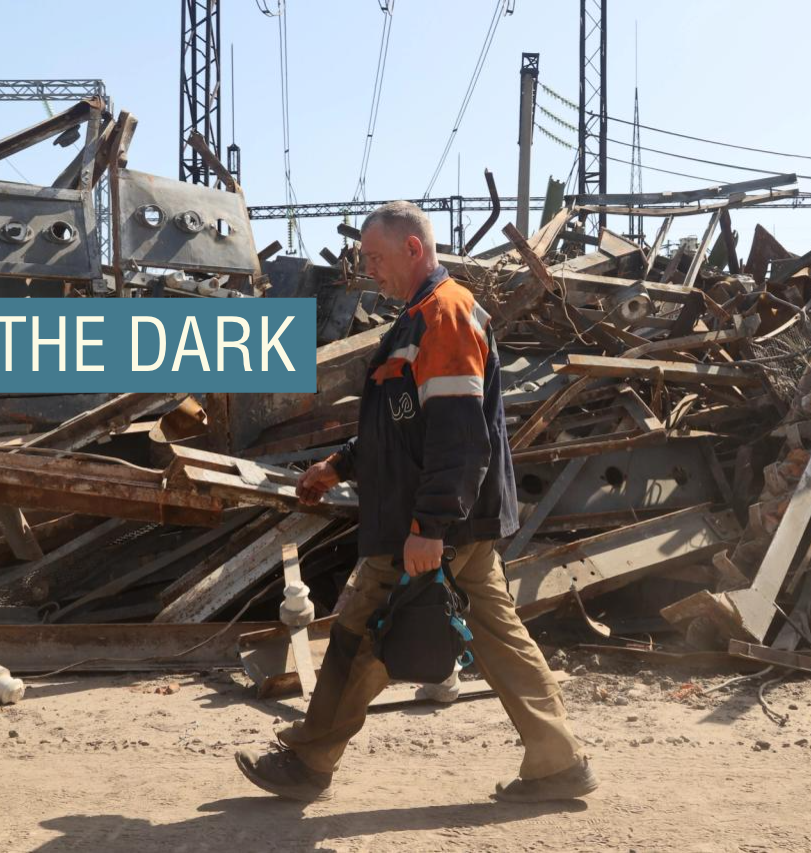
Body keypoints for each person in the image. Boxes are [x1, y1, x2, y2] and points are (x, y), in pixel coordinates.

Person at [235, 201, 597, 803]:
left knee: (361, 630)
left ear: (412, 249)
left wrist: (429, 526)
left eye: (375, 258)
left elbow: (458, 437)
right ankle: (558, 761)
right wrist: (340, 464)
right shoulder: (416, 320)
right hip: (460, 520)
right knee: (501, 639)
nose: (368, 270)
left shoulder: (445, 317)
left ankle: (309, 759)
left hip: (433, 522)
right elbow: (403, 425)